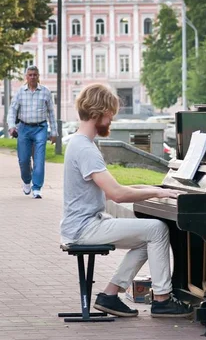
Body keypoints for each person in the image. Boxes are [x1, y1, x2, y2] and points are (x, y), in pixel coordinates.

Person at [60, 82, 193, 319]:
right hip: (85, 228)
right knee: (157, 228)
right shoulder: (86, 149)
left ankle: (110, 295)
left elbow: (116, 187)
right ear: (98, 112)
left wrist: (153, 187)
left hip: (84, 224)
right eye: (110, 113)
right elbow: (117, 194)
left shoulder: (80, 143)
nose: (111, 119)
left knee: (146, 239)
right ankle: (162, 299)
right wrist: (158, 193)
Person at [7, 65, 57, 199]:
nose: (33, 77)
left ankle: (37, 188)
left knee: (39, 159)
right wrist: (12, 126)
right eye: (30, 75)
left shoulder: (45, 92)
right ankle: (26, 180)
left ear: (38, 76)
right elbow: (12, 110)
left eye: (35, 74)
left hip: (40, 128)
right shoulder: (20, 92)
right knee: (23, 160)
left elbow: (51, 113)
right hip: (24, 128)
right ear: (26, 77)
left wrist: (54, 132)